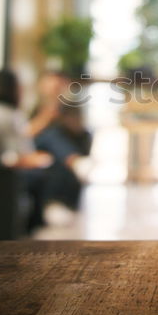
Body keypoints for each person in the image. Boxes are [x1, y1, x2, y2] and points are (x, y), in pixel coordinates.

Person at [26, 72, 92, 221]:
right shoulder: (36, 107)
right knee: (51, 134)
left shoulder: (71, 107)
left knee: (56, 152)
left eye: (58, 86)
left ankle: (55, 204)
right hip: (37, 148)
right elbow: (28, 133)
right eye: (51, 85)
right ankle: (75, 161)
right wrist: (47, 116)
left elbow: (79, 131)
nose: (54, 90)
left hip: (56, 155)